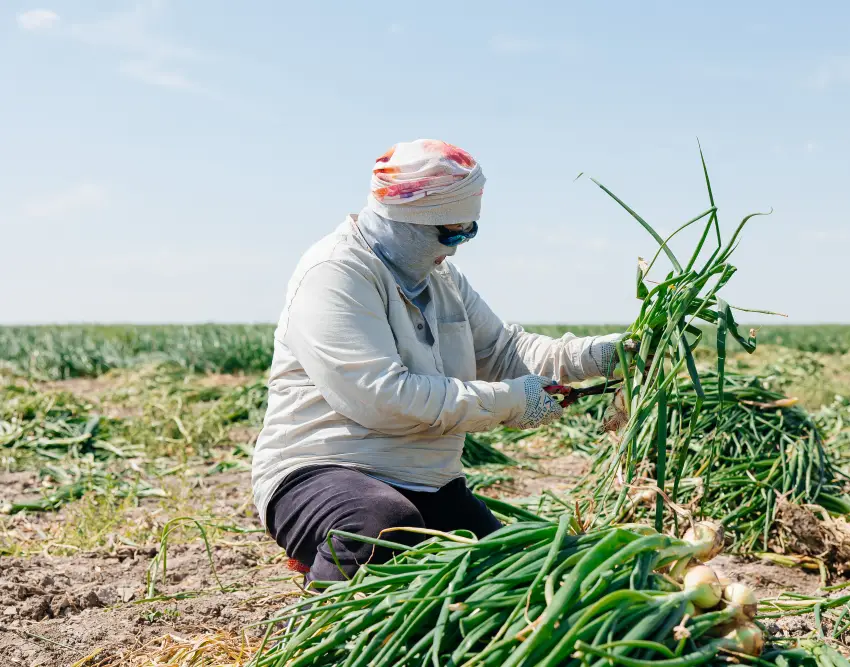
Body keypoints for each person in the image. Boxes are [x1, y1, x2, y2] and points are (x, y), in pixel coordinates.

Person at [251, 139, 621, 584]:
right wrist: (510, 403)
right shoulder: (334, 273)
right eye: (451, 232)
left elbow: (504, 352)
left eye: (471, 231)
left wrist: (601, 355)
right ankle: (318, 625)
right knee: (381, 526)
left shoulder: (442, 278)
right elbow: (381, 397)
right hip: (323, 470)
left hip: (424, 479)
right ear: (405, 221)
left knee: (505, 571)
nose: (459, 247)